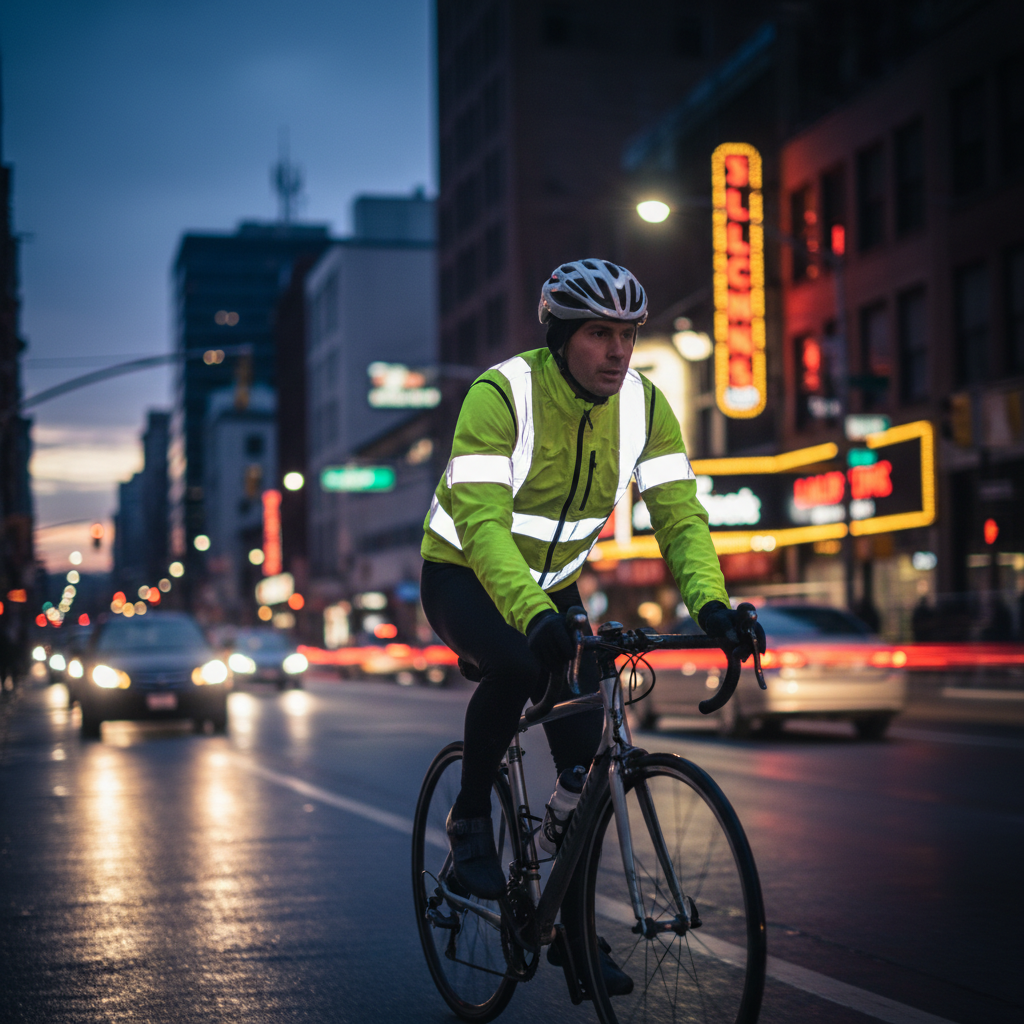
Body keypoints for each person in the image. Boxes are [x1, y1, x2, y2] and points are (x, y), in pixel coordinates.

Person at [420, 259, 762, 905]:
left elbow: (678, 514)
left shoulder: (644, 403)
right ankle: (469, 818)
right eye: (600, 334)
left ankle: (571, 937)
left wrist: (712, 605)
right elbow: (484, 523)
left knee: (587, 777)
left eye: (628, 334)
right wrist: (532, 616)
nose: (618, 351)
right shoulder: (503, 393)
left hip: (555, 584)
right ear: (563, 336)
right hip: (465, 574)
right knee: (521, 669)